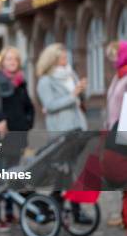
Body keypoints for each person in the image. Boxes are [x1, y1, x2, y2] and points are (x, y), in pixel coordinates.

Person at [36, 43, 91, 224]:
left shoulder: (71, 74)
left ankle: (56, 204)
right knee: (66, 171)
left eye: (66, 57)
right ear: (52, 59)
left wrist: (81, 91)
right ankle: (70, 209)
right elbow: (50, 105)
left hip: (78, 128)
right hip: (61, 131)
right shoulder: (45, 81)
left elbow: (79, 100)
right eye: (62, 57)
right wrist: (73, 94)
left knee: (73, 170)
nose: (66, 60)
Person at [0, 46, 35, 231]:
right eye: (8, 59)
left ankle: (11, 212)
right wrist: (1, 120)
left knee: (13, 174)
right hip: (0, 133)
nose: (12, 62)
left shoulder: (21, 82)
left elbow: (29, 106)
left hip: (18, 135)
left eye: (15, 59)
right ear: (2, 61)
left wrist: (28, 123)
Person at [104, 40, 127, 229]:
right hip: (114, 129)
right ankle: (123, 213)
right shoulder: (118, 76)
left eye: (114, 56)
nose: (112, 60)